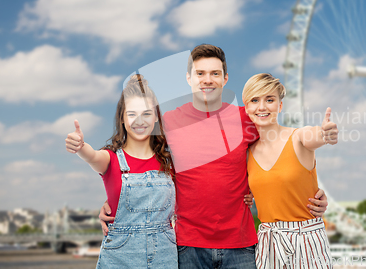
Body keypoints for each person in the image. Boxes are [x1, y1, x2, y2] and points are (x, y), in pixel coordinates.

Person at [99, 44, 330, 269]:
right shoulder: (168, 122)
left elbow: (282, 148)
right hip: (188, 245)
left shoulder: (247, 119)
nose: (207, 79)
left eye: (214, 73)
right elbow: (141, 158)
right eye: (200, 73)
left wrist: (311, 192)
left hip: (240, 244)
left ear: (225, 79)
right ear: (189, 78)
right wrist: (116, 200)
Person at [65, 74, 177, 268]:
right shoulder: (110, 158)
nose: (139, 121)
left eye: (147, 113)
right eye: (132, 114)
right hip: (120, 257)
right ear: (122, 118)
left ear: (157, 116)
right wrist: (80, 146)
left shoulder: (169, 161)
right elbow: (91, 156)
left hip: (165, 255)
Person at [242, 73, 338, 269]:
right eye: (255, 100)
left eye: (270, 99)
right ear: (246, 107)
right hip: (269, 242)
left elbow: (315, 135)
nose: (262, 107)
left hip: (307, 239)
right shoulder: (246, 154)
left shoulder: (299, 137)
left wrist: (325, 133)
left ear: (280, 105)